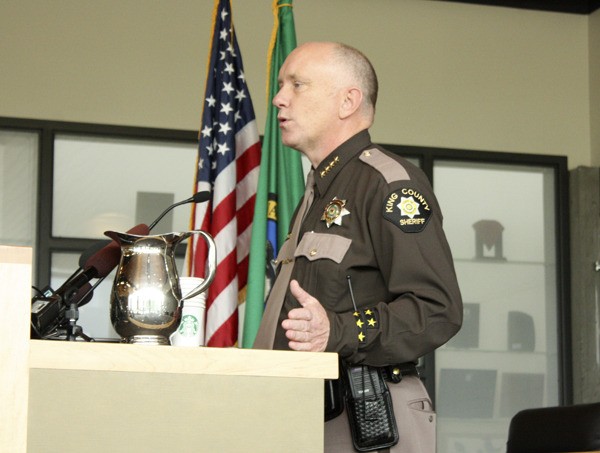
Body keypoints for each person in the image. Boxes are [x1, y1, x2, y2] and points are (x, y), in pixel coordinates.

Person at [253, 41, 463, 453]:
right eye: (282, 86)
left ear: (348, 101)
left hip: (368, 421)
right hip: (303, 416)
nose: (279, 98)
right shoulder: (318, 191)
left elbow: (438, 309)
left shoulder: (388, 183)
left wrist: (338, 330)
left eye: (297, 84)